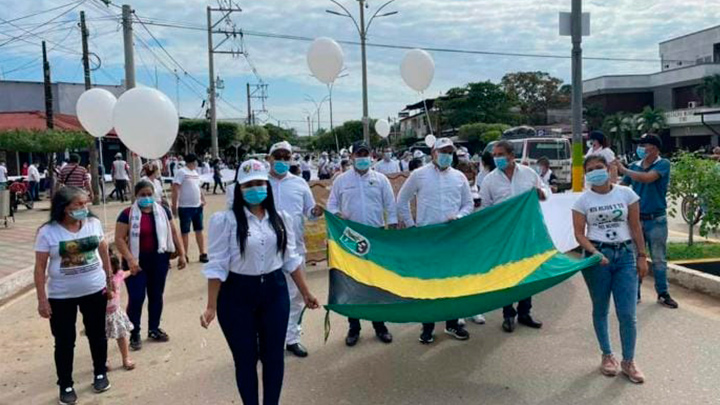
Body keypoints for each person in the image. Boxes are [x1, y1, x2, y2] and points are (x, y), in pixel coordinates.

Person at [200, 159, 320, 405]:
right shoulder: (226, 221)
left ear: (267, 185)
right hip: (236, 296)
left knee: (274, 357)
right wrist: (211, 305)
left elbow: (291, 260)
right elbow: (218, 266)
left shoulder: (281, 219)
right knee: (245, 359)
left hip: (274, 293)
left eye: (260, 183)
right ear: (239, 189)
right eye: (249, 185)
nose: (256, 189)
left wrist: (306, 293)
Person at [33, 187, 113, 405]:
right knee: (65, 341)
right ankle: (66, 384)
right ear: (64, 208)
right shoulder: (48, 232)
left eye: (85, 204)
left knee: (98, 335)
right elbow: (40, 267)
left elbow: (104, 251)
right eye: (78, 205)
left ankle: (100, 373)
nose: (83, 208)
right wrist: (42, 299)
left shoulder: (93, 224)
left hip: (94, 291)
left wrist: (110, 279)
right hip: (61, 297)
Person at [572, 154, 648, 384]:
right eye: (591, 169)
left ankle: (629, 361)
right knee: (601, 308)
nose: (596, 171)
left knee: (627, 313)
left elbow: (635, 226)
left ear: (608, 169)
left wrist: (642, 256)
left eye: (600, 167)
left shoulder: (626, 194)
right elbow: (579, 233)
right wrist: (594, 252)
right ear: (587, 174)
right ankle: (607, 355)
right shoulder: (582, 201)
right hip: (597, 258)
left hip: (625, 255)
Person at [397, 138, 474, 344]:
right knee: (428, 283)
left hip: (452, 237)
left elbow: (468, 204)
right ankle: (427, 327)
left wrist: (458, 217)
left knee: (452, 282)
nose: (446, 155)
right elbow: (402, 201)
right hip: (427, 237)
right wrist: (412, 226)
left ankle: (451, 324)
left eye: (450, 151)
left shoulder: (459, 177)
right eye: (443, 151)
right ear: (433, 153)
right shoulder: (419, 175)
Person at [327, 141, 396, 347]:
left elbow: (390, 206)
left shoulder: (380, 179)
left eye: (366, 153)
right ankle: (354, 326)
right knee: (352, 283)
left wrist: (392, 228)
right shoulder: (341, 180)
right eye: (359, 154)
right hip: (350, 238)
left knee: (376, 282)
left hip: (375, 237)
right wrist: (338, 214)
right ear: (352, 156)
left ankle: (379, 325)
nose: (363, 157)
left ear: (371, 155)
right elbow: (331, 205)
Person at [479, 140, 550, 333]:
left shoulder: (528, 174)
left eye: (500, 154)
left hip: (528, 232)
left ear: (511, 155)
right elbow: (486, 209)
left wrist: (541, 193)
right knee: (507, 274)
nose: (497, 158)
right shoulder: (489, 180)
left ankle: (525, 312)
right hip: (504, 235)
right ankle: (508, 314)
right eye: (495, 155)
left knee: (527, 272)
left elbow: (546, 191)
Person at [266, 141, 323, 358]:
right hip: (266, 250)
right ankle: (268, 340)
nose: (281, 161)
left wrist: (316, 211)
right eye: (277, 156)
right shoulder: (260, 183)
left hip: (295, 249)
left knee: (297, 296)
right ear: (269, 159)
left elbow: (309, 212)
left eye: (285, 157)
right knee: (268, 297)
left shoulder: (299, 183)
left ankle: (292, 338)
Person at [115, 180, 186, 351]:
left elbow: (174, 232)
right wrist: (130, 259)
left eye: (149, 194)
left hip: (159, 259)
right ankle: (134, 333)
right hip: (135, 263)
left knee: (156, 295)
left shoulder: (163, 211)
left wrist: (182, 253)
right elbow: (119, 239)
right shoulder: (127, 214)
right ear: (136, 196)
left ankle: (154, 328)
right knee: (137, 297)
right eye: (142, 195)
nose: (146, 198)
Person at [617, 133, 678, 309]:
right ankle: (634, 292)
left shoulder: (663, 164)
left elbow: (647, 178)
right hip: (636, 220)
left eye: (644, 145)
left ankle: (662, 293)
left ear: (655, 148)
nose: (641, 148)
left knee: (658, 258)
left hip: (656, 220)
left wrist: (624, 170)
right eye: (640, 145)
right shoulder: (635, 166)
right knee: (635, 257)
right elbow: (622, 186)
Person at [455, 160, 486, 325]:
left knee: (475, 274)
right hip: (459, 238)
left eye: (471, 176)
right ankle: (459, 311)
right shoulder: (454, 189)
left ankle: (475, 309)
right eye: (465, 176)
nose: (468, 179)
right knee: (459, 275)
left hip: (475, 237)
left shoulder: (478, 189)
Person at [172, 154, 208, 263]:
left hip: (197, 206)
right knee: (185, 232)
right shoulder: (182, 172)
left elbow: (198, 187)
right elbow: (176, 189)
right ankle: (185, 254)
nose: (197, 164)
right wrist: (175, 205)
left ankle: (202, 253)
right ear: (192, 162)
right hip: (185, 207)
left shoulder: (195, 173)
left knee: (199, 230)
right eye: (196, 162)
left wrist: (203, 199)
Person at [106, 254, 136, 371]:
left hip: (115, 312)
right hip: (102, 314)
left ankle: (126, 358)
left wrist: (133, 270)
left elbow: (125, 273)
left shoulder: (117, 275)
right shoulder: (98, 280)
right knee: (102, 339)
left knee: (122, 335)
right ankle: (104, 360)